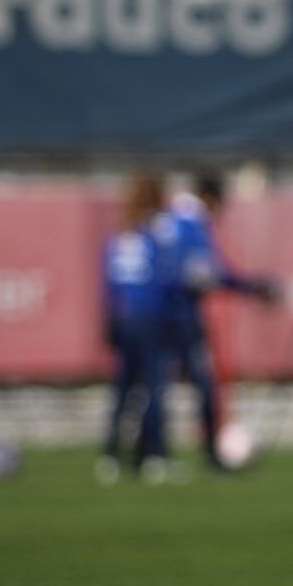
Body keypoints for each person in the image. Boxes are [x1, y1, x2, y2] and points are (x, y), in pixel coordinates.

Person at [160, 172, 276, 471]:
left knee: (154, 384)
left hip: (155, 314)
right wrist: (252, 288)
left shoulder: (168, 220)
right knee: (202, 384)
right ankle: (209, 454)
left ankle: (147, 453)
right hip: (180, 316)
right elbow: (206, 273)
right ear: (211, 199)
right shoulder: (191, 224)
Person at [100, 175, 173, 485]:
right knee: (153, 387)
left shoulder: (119, 236)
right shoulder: (156, 232)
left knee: (123, 388)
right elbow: (164, 277)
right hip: (148, 315)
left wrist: (109, 320)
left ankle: (111, 456)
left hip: (121, 316)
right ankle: (151, 455)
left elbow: (107, 284)